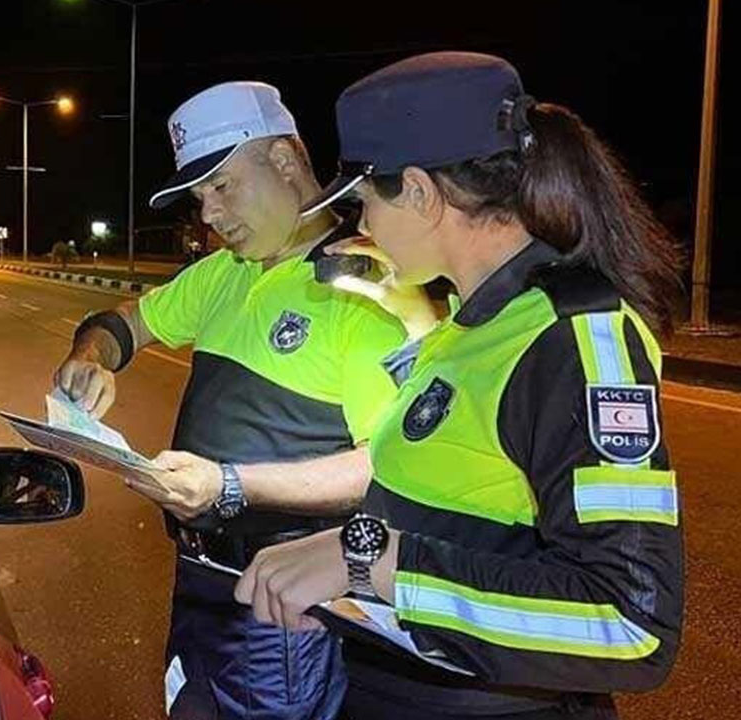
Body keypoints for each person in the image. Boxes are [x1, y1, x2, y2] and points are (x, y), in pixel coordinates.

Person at [234, 52, 684, 719]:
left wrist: (373, 562)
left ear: (418, 191)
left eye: (363, 204)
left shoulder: (576, 339)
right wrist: (345, 585)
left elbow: (630, 623)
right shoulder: (465, 323)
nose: (360, 228)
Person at [53, 81, 412, 720]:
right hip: (199, 583)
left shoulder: (364, 293)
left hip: (282, 603)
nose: (209, 215)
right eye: (198, 198)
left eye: (222, 187)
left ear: (283, 159)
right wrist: (92, 357)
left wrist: (228, 484)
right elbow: (126, 323)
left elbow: (383, 467)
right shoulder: (225, 274)